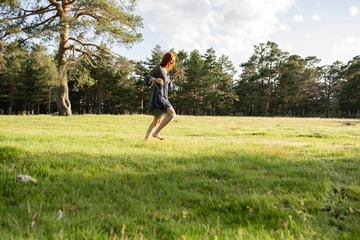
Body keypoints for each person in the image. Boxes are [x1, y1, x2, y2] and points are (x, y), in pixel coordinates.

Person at [144, 52, 184, 141]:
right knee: (172, 114)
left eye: (173, 61)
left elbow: (168, 83)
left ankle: (145, 141)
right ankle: (156, 133)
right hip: (159, 97)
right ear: (167, 59)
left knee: (157, 121)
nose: (172, 62)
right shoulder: (158, 68)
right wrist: (155, 79)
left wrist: (175, 75)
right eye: (171, 60)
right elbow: (147, 77)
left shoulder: (166, 71)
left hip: (163, 96)